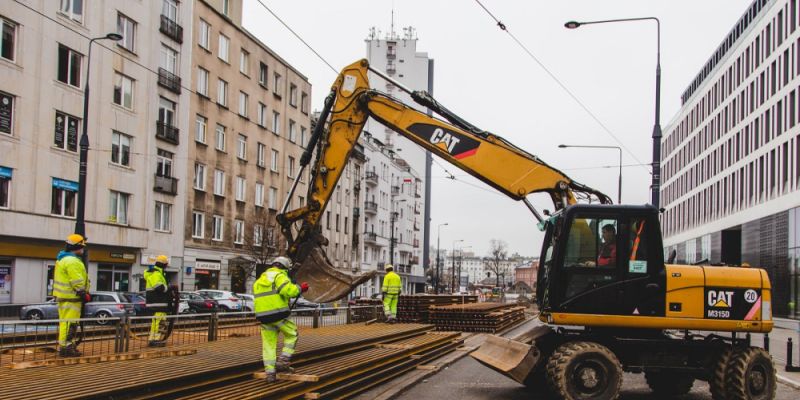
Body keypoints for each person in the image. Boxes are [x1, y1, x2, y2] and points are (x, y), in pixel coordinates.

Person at [254, 256, 309, 383]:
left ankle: (270, 375)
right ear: (284, 268)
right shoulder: (279, 276)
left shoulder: (259, 280)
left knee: (268, 345)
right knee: (292, 334)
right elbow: (288, 291)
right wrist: (301, 288)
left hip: (263, 317)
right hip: (278, 314)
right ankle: (283, 362)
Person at [53, 234, 90, 357]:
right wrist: (83, 293)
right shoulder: (72, 261)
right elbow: (77, 280)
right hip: (72, 297)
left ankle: (67, 345)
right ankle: (66, 347)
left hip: (65, 297)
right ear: (77, 246)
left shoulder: (62, 259)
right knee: (70, 323)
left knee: (65, 323)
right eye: (82, 246)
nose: (83, 250)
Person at [145, 255, 170, 347]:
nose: (167, 266)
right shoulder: (156, 274)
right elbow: (159, 287)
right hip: (157, 302)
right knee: (157, 322)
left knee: (160, 322)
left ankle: (157, 339)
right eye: (166, 264)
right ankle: (154, 340)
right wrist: (169, 288)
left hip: (158, 303)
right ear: (163, 264)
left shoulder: (157, 273)